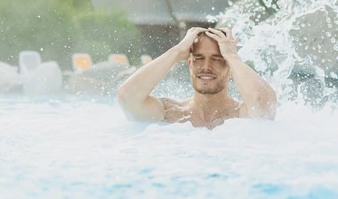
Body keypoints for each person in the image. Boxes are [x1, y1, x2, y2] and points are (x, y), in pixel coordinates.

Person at [116, 27, 277, 128]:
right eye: (199, 58)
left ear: (230, 68)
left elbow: (263, 102)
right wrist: (178, 51)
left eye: (217, 59)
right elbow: (126, 96)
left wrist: (232, 56)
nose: (206, 66)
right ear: (189, 64)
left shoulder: (240, 114)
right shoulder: (169, 112)